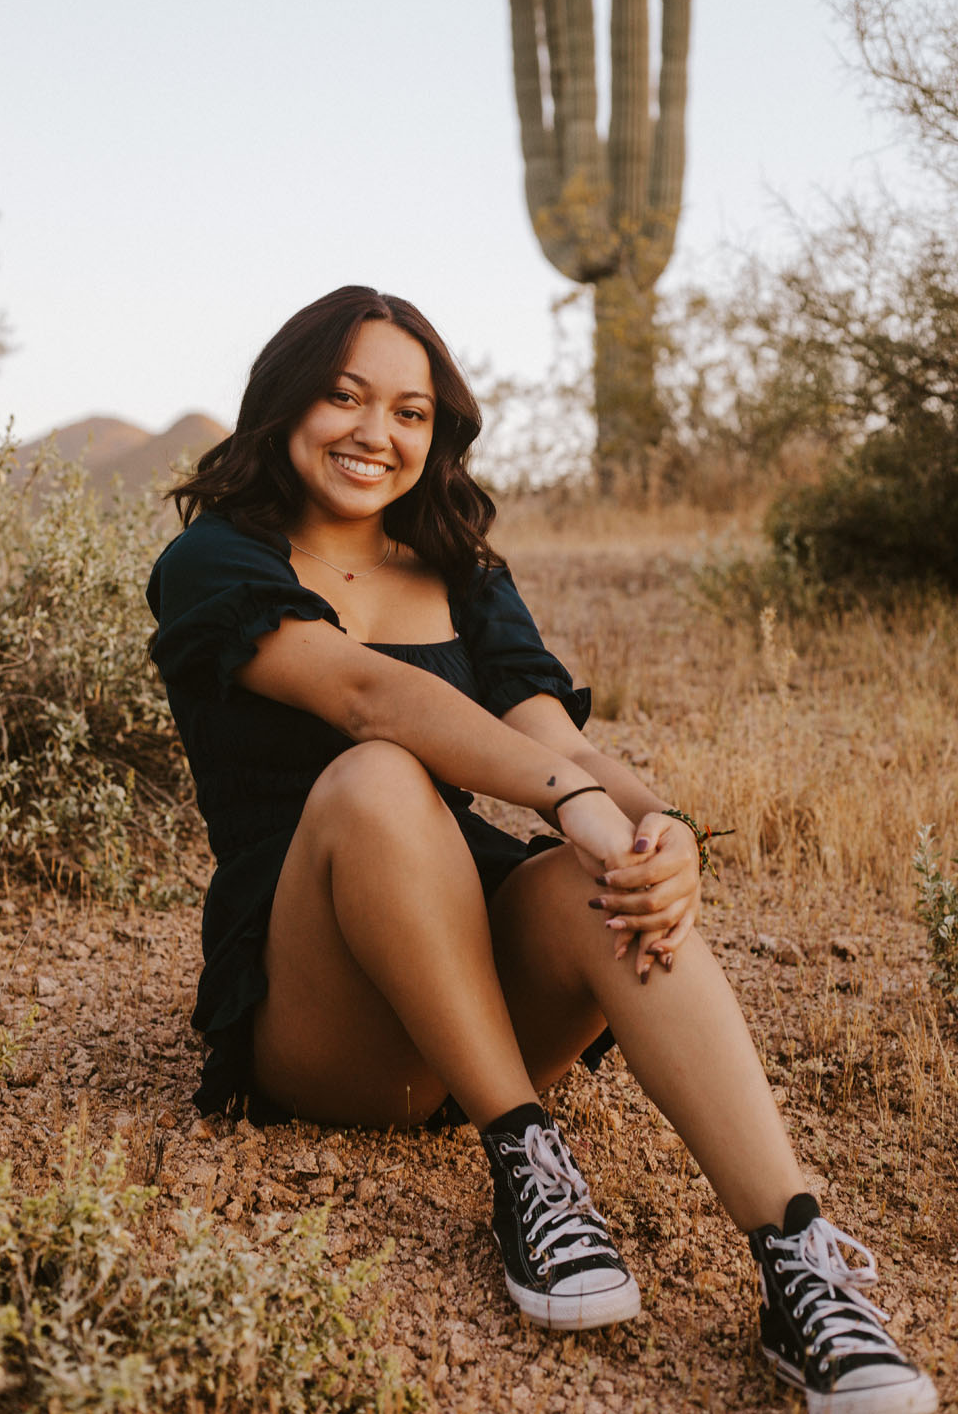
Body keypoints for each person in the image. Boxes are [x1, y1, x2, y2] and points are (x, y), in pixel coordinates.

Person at [146, 286, 937, 1414]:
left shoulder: (461, 567)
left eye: (411, 413)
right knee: (378, 777)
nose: (378, 434)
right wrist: (570, 797)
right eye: (344, 396)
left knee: (595, 874)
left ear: (439, 433)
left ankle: (798, 1261)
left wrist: (655, 832)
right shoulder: (215, 563)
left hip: (482, 977)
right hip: (320, 1011)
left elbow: (547, 734)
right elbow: (368, 695)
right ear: (282, 405)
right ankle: (528, 1163)